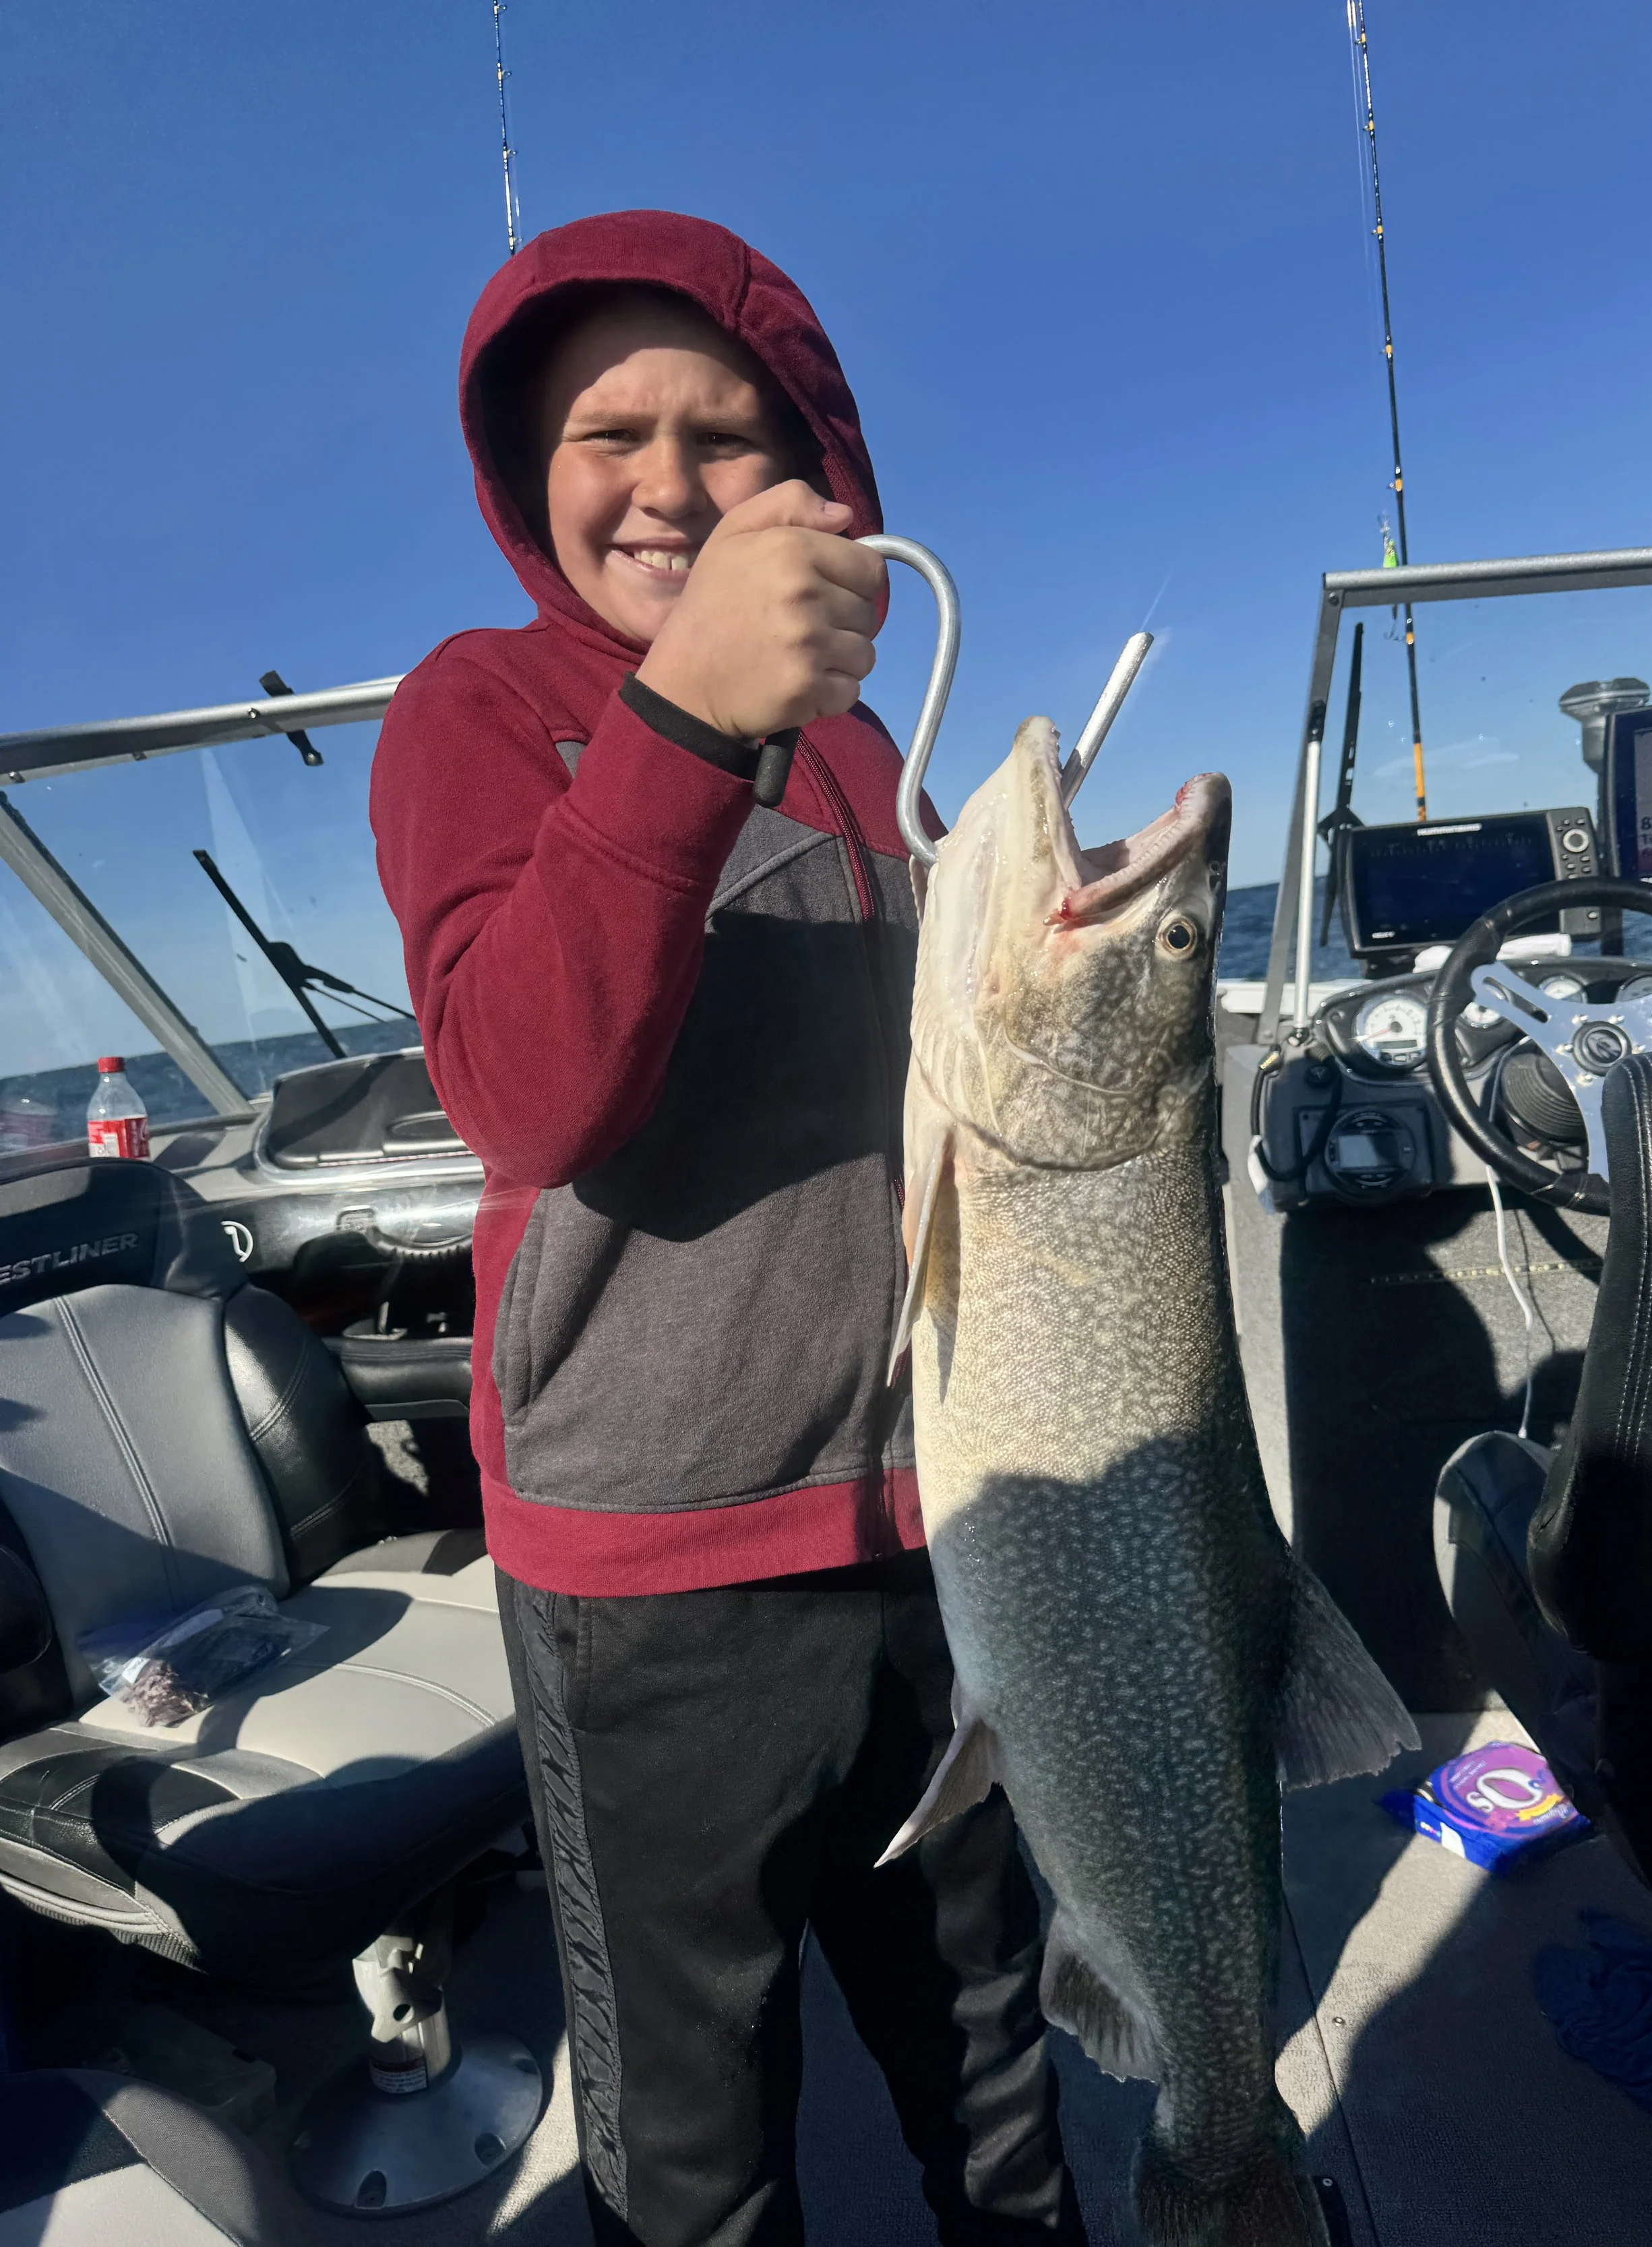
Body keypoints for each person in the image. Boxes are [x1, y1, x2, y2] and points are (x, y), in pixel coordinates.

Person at [371, 209, 1083, 2247]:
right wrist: (680, 722)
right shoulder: (481, 711)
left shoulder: (862, 740)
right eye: (608, 432)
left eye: (726, 433)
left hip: (939, 1542)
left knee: (1001, 2091)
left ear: (818, 472)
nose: (668, 484)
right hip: (651, 1588)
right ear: (527, 468)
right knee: (693, 2162)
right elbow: (526, 1091)